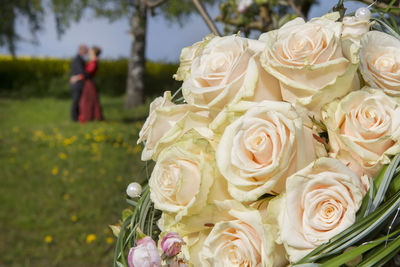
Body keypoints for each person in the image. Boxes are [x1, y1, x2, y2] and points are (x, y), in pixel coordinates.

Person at [70, 46, 103, 123]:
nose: (88, 52)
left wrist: (76, 77)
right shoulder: (92, 61)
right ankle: (88, 117)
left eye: (90, 51)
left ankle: (91, 117)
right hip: (88, 84)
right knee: (86, 101)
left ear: (93, 52)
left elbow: (88, 74)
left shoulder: (94, 61)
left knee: (87, 101)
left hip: (89, 84)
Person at [69, 44, 88, 121]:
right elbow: (82, 72)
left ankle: (77, 117)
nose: (87, 51)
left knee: (78, 101)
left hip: (78, 83)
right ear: (81, 50)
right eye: (85, 50)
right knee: (76, 101)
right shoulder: (78, 60)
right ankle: (74, 118)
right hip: (77, 84)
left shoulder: (80, 59)